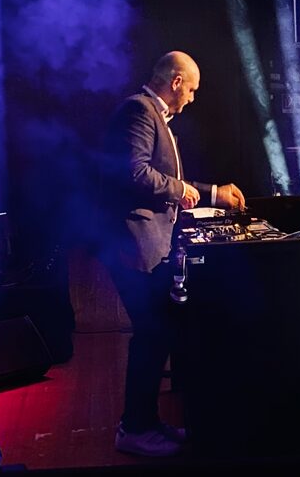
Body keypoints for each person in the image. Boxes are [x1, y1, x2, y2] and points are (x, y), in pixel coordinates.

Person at [100, 51, 245, 457]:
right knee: (151, 334)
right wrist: (181, 190)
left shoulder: (153, 116)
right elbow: (135, 172)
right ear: (176, 81)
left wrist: (213, 193)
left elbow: (166, 178)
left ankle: (144, 422)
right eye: (192, 90)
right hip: (133, 245)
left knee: (158, 333)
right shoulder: (139, 110)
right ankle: (133, 429)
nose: (192, 99)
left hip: (147, 244)